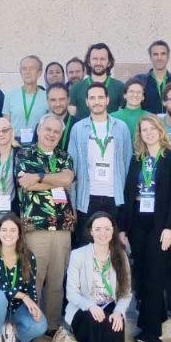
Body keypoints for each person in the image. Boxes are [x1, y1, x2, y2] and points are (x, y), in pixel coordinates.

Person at [121, 116, 171, 342]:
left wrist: (170, 228)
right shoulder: (136, 159)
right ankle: (147, 326)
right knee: (143, 274)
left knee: (156, 276)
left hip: (161, 225)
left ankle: (152, 333)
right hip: (138, 224)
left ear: (160, 130)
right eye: (143, 129)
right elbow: (129, 195)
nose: (148, 133)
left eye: (152, 128)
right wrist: (123, 229)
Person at [16, 115, 77, 334]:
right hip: (36, 226)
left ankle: (52, 325)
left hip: (62, 227)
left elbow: (67, 179)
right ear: (39, 130)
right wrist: (55, 180)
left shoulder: (65, 156)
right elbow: (26, 185)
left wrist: (39, 177)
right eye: (47, 129)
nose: (51, 134)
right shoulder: (24, 153)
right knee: (34, 278)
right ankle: (33, 325)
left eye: (56, 132)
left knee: (57, 280)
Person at [65, 212, 133, 342]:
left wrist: (118, 312)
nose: (103, 233)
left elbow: (126, 292)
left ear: (112, 231)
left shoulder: (121, 255)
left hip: (110, 304)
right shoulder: (78, 255)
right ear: (91, 231)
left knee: (115, 324)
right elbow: (71, 293)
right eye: (98, 229)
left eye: (107, 229)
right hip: (84, 307)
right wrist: (90, 306)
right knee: (94, 321)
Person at [67, 82, 133, 243]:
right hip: (87, 197)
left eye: (100, 97)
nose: (97, 101)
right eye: (92, 98)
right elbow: (72, 166)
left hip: (114, 196)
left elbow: (127, 161)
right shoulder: (78, 128)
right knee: (86, 244)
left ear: (107, 100)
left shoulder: (121, 128)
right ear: (87, 102)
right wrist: (73, 201)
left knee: (113, 246)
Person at [69, 43, 124, 120]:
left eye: (102, 59)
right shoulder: (76, 88)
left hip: (111, 131)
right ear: (88, 62)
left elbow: (124, 115)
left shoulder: (119, 87)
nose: (98, 63)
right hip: (85, 131)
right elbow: (70, 119)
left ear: (109, 62)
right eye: (95, 59)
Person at [4, 55, 48, 143]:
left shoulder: (47, 96)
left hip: (38, 143)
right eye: (24, 69)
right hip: (14, 144)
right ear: (20, 72)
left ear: (39, 73)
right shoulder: (10, 95)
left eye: (32, 68)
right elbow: (6, 125)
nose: (27, 72)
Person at [138, 40, 171, 115]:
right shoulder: (140, 81)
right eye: (155, 54)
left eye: (163, 54)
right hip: (148, 125)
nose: (159, 58)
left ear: (168, 57)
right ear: (150, 57)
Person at [44, 82, 77, 150]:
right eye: (53, 100)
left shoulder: (77, 126)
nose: (58, 104)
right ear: (47, 101)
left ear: (68, 100)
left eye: (61, 99)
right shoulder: (41, 126)